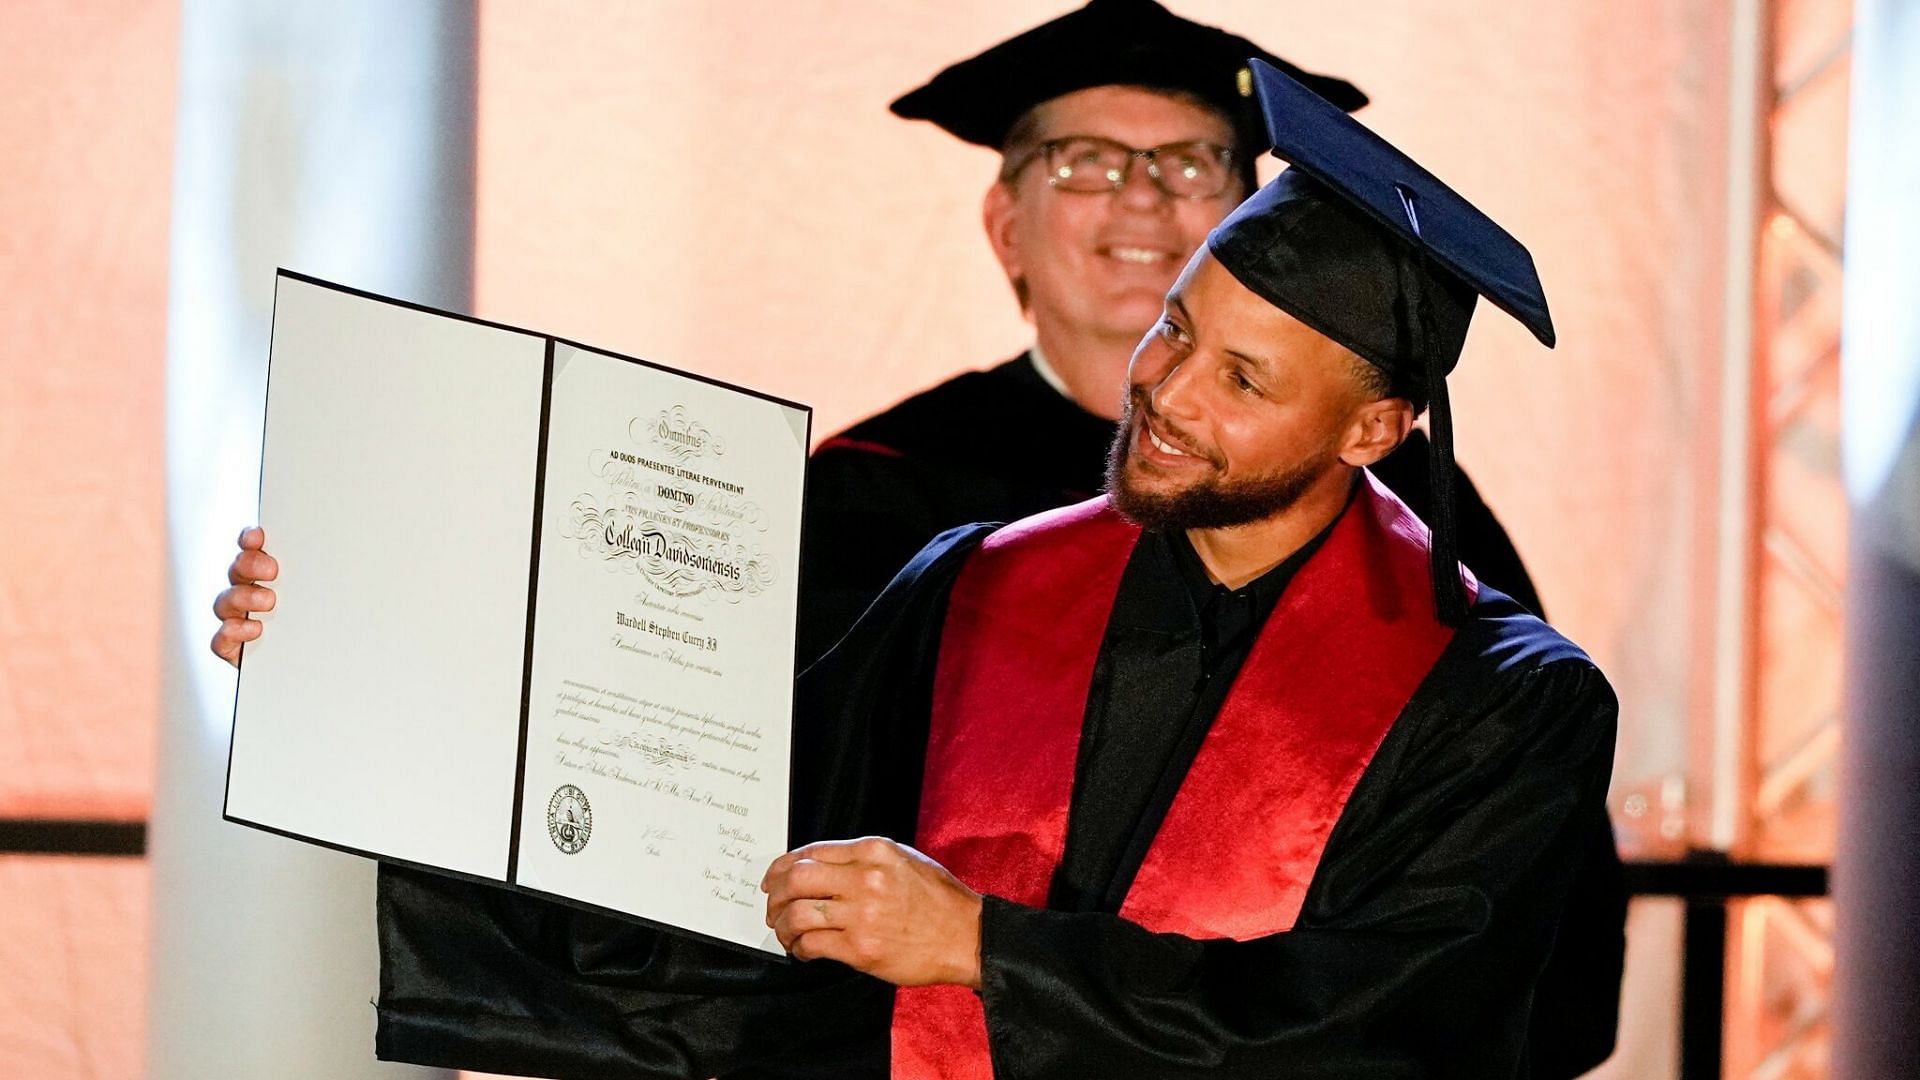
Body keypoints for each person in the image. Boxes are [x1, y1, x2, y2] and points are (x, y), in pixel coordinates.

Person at [213, 61, 1619, 1079]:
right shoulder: (976, 584)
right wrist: (363, 643)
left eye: (1243, 377)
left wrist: (983, 954)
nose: (1171, 391)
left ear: (1372, 431)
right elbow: (706, 857)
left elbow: (1394, 1027)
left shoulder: (1503, 701)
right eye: (1179, 329)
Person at [799, 0, 1545, 670]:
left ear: (1256, 225)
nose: (1145, 201)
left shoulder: (1399, 496)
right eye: (1086, 163)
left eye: (1192, 166)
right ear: (1005, 227)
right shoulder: (876, 485)